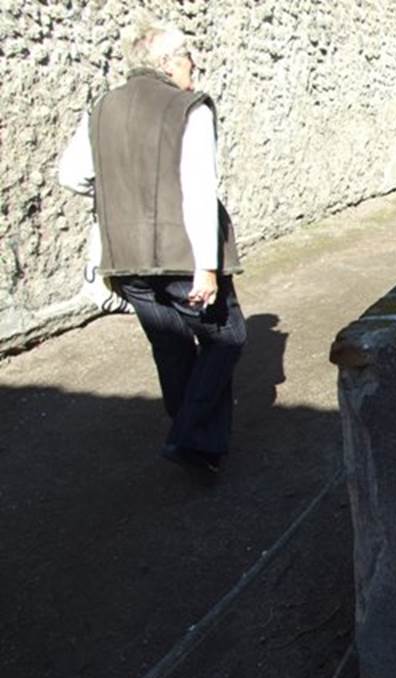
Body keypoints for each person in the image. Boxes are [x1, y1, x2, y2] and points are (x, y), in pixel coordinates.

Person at [58, 17, 246, 474]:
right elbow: (198, 189)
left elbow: (72, 176)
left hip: (125, 258)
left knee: (171, 345)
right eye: (187, 57)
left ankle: (197, 448)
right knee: (227, 337)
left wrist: (123, 196)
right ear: (166, 63)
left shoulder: (101, 108)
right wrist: (207, 267)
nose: (193, 65)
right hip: (181, 255)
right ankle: (189, 436)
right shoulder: (189, 109)